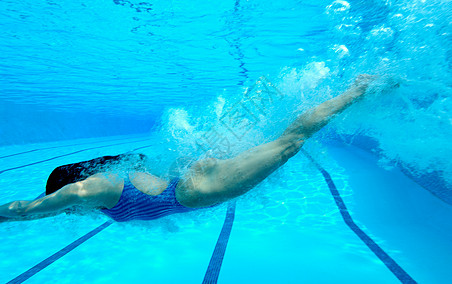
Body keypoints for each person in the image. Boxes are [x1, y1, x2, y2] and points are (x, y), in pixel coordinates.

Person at [0, 74, 383, 223]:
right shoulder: (104, 182)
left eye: (63, 200)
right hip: (188, 177)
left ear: (68, 187)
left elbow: (26, 209)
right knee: (273, 137)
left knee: (289, 143)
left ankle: (358, 89)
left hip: (199, 190)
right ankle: (268, 95)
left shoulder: (89, 190)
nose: (67, 209)